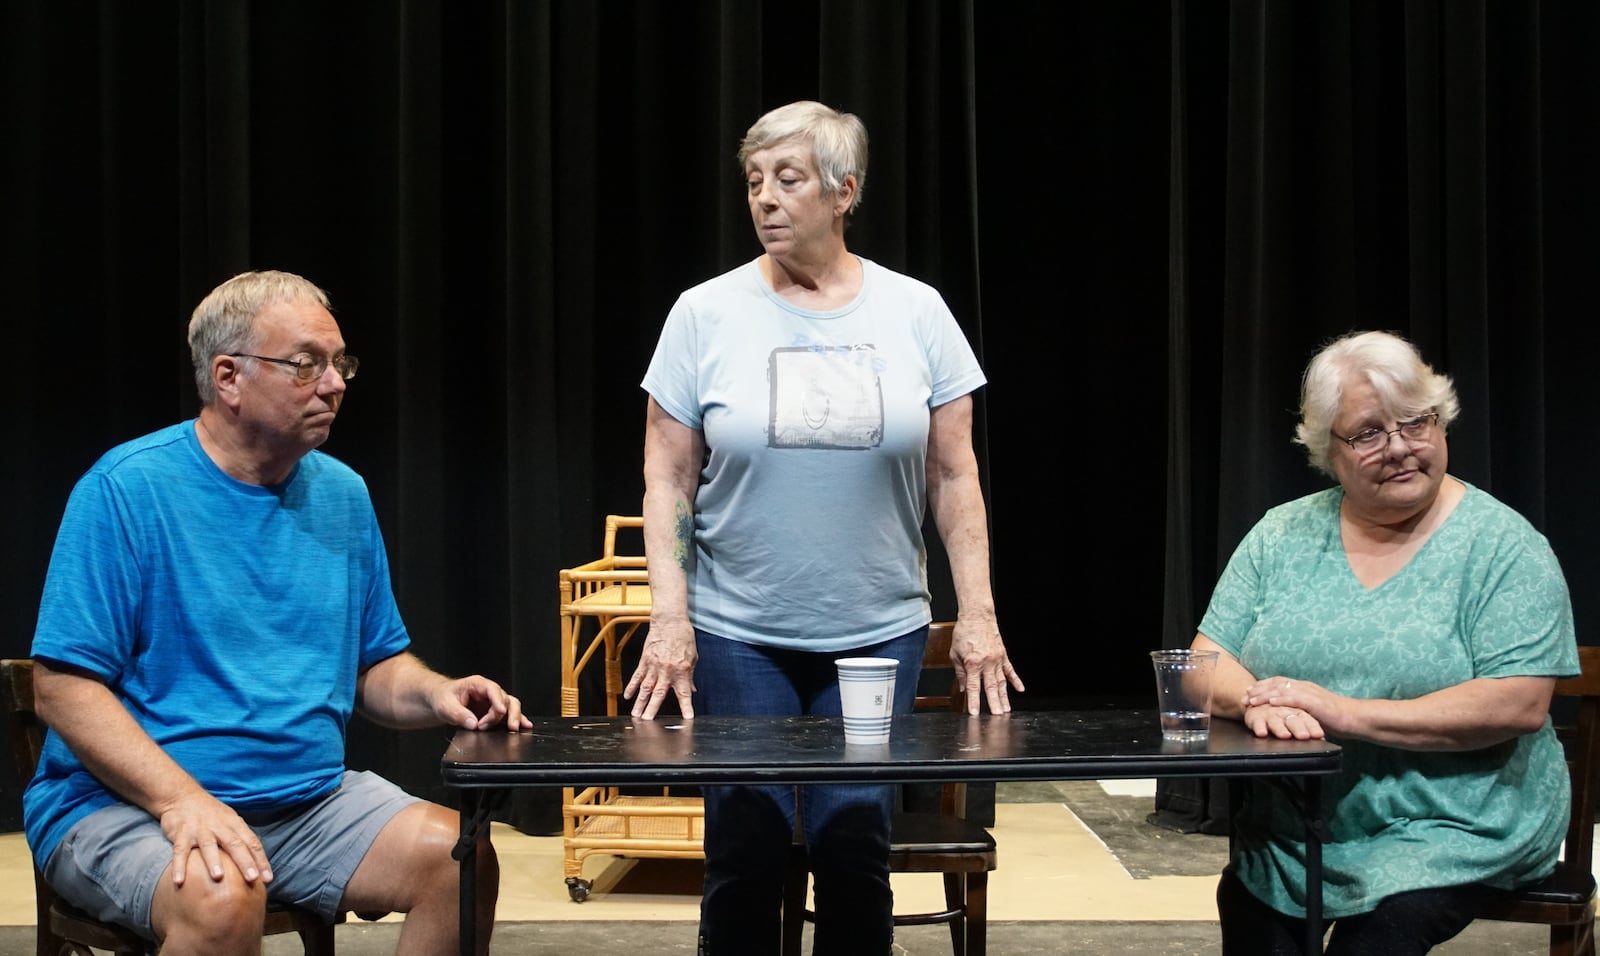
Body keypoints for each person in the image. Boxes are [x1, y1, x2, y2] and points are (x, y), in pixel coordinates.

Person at [24, 270, 531, 955]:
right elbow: (61, 687)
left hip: (304, 802)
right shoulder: (127, 490)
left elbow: (375, 664)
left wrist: (438, 693)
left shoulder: (343, 494)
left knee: (459, 859)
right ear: (228, 377)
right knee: (222, 896)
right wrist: (181, 800)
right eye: (306, 364)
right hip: (128, 806)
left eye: (339, 362)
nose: (335, 382)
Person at [621, 100, 1024, 955]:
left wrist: (978, 614)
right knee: (746, 846)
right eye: (755, 181)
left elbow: (956, 475)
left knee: (853, 844)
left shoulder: (916, 311)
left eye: (789, 179)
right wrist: (670, 616)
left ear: (845, 191)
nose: (766, 198)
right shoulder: (704, 313)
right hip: (741, 630)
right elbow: (667, 478)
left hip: (877, 630)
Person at [1192, 329, 1578, 954]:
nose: (1399, 448)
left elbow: (1518, 704)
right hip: (1301, 829)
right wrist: (1264, 701)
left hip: (1457, 827)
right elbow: (1200, 666)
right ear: (1327, 449)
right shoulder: (1280, 535)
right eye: (1369, 433)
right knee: (1246, 904)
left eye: (1415, 423)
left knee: (1373, 941)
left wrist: (1341, 712)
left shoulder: (1505, 548)